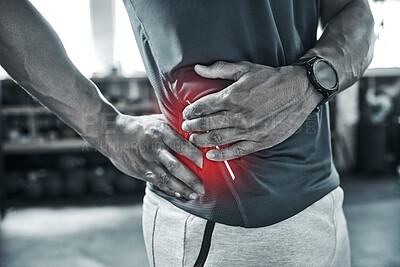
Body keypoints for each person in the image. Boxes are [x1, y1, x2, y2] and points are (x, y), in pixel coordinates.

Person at [0, 0, 375, 266]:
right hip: (229, 224)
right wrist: (105, 127)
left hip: (324, 197)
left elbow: (354, 11)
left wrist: (313, 78)